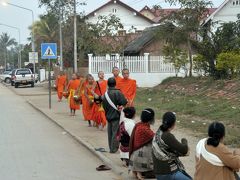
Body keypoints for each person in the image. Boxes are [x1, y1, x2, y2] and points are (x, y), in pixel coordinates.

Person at [152, 112, 191, 180]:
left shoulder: (158, 133)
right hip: (168, 173)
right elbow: (184, 150)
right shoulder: (167, 136)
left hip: (158, 173)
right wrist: (184, 140)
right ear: (174, 124)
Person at [102, 77, 128, 153]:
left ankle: (111, 147)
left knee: (109, 133)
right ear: (115, 84)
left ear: (108, 84)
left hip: (108, 115)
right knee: (115, 133)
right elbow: (124, 102)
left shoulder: (105, 94)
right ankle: (113, 149)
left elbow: (103, 105)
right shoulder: (117, 92)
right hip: (116, 116)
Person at [129, 108, 155, 180]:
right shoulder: (144, 128)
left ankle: (137, 171)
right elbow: (155, 138)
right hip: (139, 157)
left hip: (134, 157)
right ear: (151, 119)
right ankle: (139, 171)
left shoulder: (138, 125)